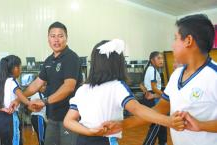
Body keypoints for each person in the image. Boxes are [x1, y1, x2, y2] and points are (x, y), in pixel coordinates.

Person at [103, 14, 217, 145]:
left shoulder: (214, 75)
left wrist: (201, 125)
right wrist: (123, 124)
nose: (173, 45)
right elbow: (158, 110)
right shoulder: (176, 75)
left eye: (176, 39)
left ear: (188, 40)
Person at [63, 39, 184, 145]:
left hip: (82, 141)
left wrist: (89, 131)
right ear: (118, 63)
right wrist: (168, 121)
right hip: (106, 141)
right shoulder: (117, 86)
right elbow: (138, 110)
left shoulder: (82, 89)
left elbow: (68, 120)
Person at [11, 21, 82, 145]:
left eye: (60, 36)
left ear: (66, 38)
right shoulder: (49, 60)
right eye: (52, 36)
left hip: (70, 117)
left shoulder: (71, 58)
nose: (56, 40)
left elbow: (68, 87)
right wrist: (19, 99)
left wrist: (44, 101)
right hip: (52, 117)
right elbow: (37, 84)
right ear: (48, 38)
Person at [0, 55, 30, 145]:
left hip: (0, 118)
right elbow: (21, 95)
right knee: (15, 142)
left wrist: (1, 109)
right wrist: (29, 103)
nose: (20, 69)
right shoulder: (12, 81)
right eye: (20, 67)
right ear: (15, 68)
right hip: (11, 118)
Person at [140, 51, 167, 145]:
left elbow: (141, 84)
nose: (161, 60)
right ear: (152, 60)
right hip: (154, 100)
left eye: (162, 58)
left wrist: (146, 92)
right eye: (158, 58)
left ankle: (163, 142)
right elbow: (154, 88)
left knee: (163, 122)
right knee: (157, 124)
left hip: (151, 98)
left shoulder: (149, 69)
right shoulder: (153, 70)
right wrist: (165, 95)